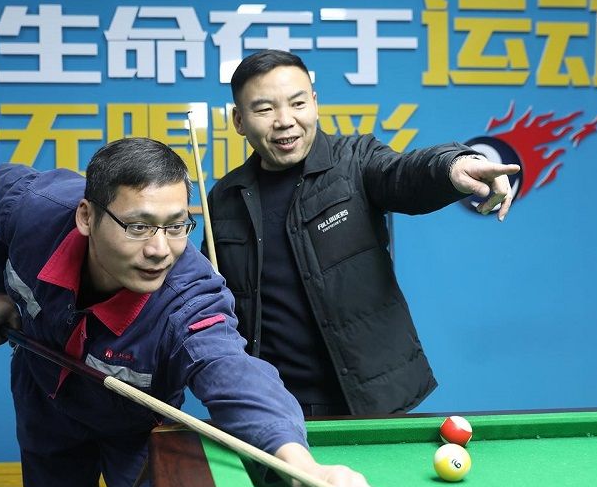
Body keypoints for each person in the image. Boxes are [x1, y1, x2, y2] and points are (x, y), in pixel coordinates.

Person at [0, 137, 407, 487]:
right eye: (138, 226)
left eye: (176, 226)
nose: (160, 249)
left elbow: (232, 370)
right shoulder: (37, 211)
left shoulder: (189, 298)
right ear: (86, 217)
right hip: (45, 392)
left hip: (137, 427)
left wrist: (300, 464)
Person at [207, 49, 519, 417]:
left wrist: (453, 165)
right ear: (239, 120)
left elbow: (405, 174)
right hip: (270, 405)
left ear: (315, 103)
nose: (285, 121)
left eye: (297, 103)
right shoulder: (224, 198)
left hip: (366, 400)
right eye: (264, 109)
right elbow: (210, 299)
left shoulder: (355, 160)